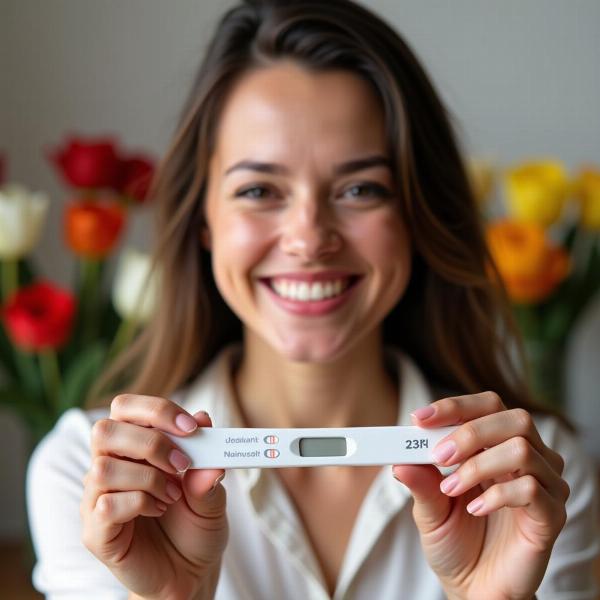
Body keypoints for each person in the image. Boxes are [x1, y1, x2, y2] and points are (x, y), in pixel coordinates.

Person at [26, 1, 599, 598]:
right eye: (258, 189)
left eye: (359, 188)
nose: (308, 238)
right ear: (204, 220)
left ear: (417, 214)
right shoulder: (90, 476)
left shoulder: (533, 476)